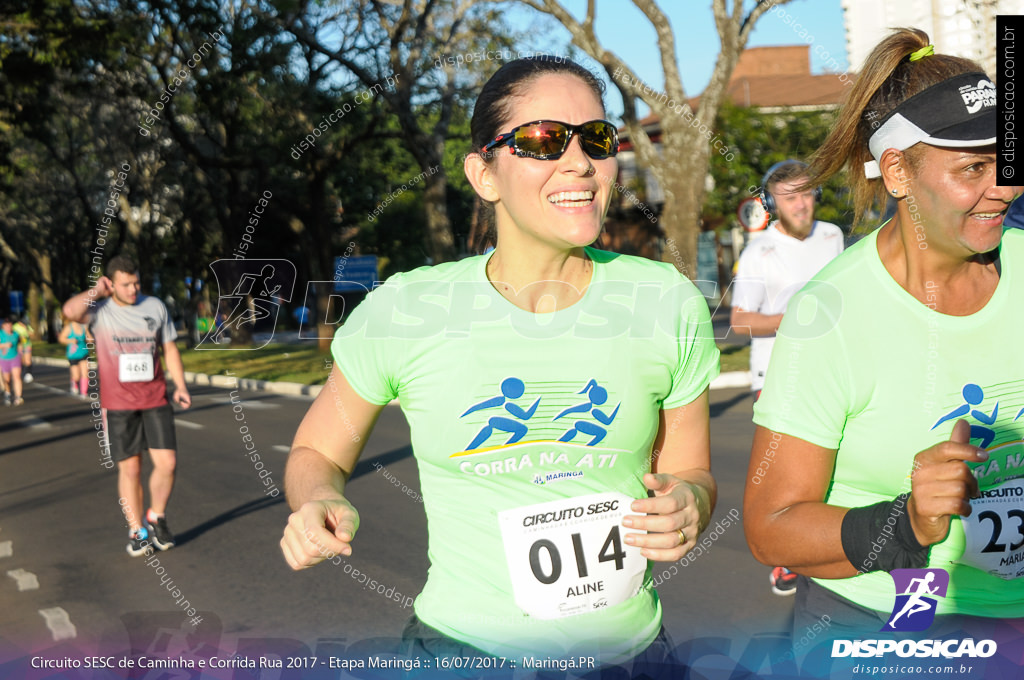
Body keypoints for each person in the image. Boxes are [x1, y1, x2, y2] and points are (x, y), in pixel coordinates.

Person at [279, 56, 720, 672]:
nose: (579, 163)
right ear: (483, 173)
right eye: (543, 141)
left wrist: (690, 502)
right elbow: (316, 455)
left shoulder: (665, 300)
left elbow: (691, 470)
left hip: (634, 658)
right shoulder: (408, 309)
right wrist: (318, 500)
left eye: (597, 139)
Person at [744, 28, 1023, 643]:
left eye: (1008, 164)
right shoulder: (831, 316)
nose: (1002, 189)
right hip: (891, 617)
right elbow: (771, 527)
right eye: (973, 167)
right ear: (896, 169)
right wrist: (909, 523)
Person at [730, 161, 844, 596]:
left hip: (831, 368)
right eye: (790, 196)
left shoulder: (833, 235)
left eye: (807, 193)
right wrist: (793, 319)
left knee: (831, 467)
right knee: (786, 475)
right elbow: (740, 321)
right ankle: (785, 559)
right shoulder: (759, 252)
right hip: (777, 373)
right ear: (773, 203)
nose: (801, 204)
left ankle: (826, 549)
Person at [63, 255, 192, 556]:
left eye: (137, 282)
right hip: (119, 404)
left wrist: (181, 385)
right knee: (131, 469)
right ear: (111, 283)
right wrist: (97, 290)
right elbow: (70, 310)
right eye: (126, 284)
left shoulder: (155, 306)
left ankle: (156, 516)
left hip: (155, 397)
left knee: (168, 464)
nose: (134, 289)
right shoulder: (99, 309)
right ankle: (137, 530)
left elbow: (169, 348)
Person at [59, 314, 92, 395]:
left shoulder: (84, 327)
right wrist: (70, 341)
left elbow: (90, 338)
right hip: (73, 355)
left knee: (85, 373)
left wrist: (90, 339)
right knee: (76, 376)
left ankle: (84, 392)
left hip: (84, 353)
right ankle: (74, 384)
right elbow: (61, 338)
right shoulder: (68, 327)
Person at [0, 316, 24, 406]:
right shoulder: (1, 334)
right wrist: (4, 345)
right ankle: (8, 393)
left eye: (10, 325)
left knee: (17, 377)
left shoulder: (16, 334)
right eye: (6, 325)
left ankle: (18, 396)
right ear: (3, 326)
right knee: (7, 380)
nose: (8, 327)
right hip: (4, 359)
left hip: (15, 357)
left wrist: (21, 350)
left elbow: (21, 343)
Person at [12, 316, 34, 383]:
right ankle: (21, 373)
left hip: (27, 344)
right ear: (19, 322)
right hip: (19, 346)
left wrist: (26, 330)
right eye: (23, 323)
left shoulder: (27, 326)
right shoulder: (15, 327)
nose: (24, 324)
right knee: (22, 361)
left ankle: (28, 374)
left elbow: (32, 334)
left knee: (28, 360)